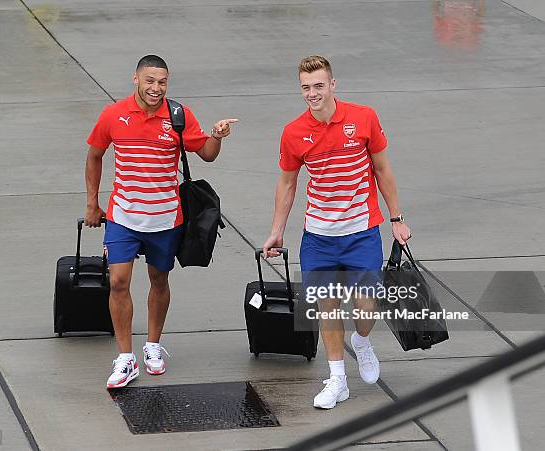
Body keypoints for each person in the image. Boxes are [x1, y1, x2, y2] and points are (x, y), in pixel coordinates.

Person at [262, 55, 411, 409]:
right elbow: (287, 184)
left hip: (361, 232)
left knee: (365, 306)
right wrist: (276, 231)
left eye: (318, 85)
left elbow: (382, 169)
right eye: (305, 88)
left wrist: (396, 217)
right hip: (318, 236)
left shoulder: (363, 118)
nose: (312, 93)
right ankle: (338, 379)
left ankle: (362, 342)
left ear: (332, 84)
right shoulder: (294, 132)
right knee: (327, 306)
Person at [84, 55, 237, 388]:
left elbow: (207, 154)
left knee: (159, 281)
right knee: (118, 283)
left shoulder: (179, 117)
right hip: (123, 216)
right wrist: (92, 203)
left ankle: (153, 345)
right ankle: (126, 358)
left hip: (166, 217)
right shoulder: (114, 115)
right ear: (135, 79)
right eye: (150, 80)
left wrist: (217, 135)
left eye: (162, 82)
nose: (156, 88)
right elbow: (94, 155)